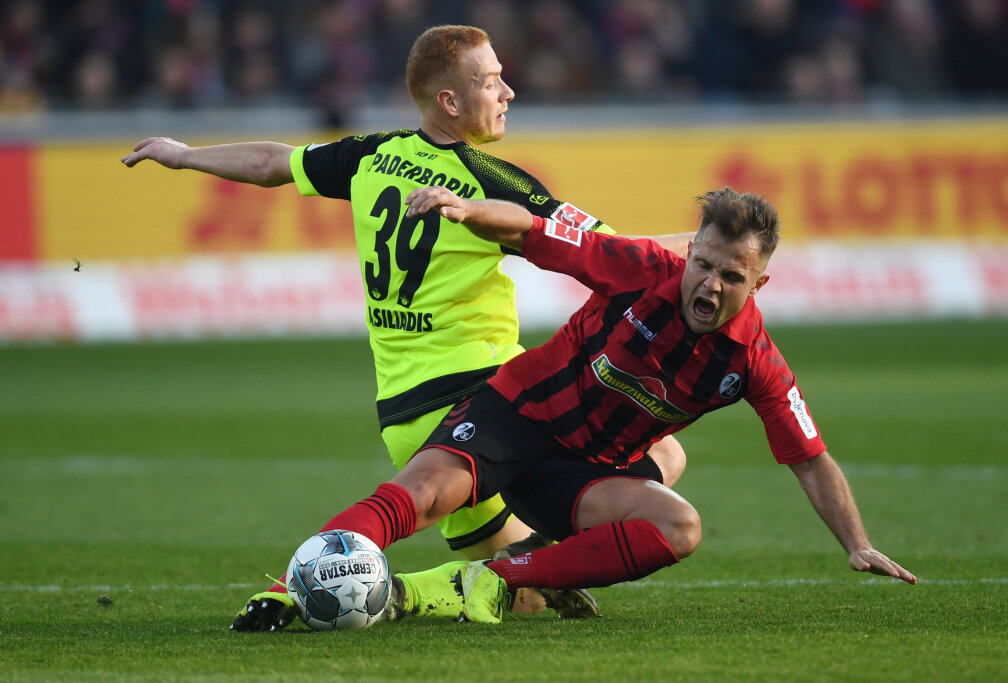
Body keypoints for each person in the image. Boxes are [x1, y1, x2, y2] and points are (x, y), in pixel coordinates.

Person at [120, 25, 689, 628]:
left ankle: (316, 589)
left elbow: (271, 162)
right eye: (492, 80)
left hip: (404, 414)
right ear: (449, 101)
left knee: (514, 593)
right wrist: (715, 253)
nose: (509, 92)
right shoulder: (491, 183)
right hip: (495, 399)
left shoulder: (369, 156)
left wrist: (183, 155)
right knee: (664, 454)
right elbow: (617, 254)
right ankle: (541, 547)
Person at [294, 184, 916, 626]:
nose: (709, 284)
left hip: (581, 480)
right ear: (688, 254)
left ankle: (500, 577)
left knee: (681, 526)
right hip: (519, 413)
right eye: (702, 265)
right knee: (424, 495)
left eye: (731, 277)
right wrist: (465, 209)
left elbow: (810, 459)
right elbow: (534, 233)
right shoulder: (640, 269)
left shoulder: (753, 362)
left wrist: (856, 544)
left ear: (759, 285)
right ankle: (290, 587)